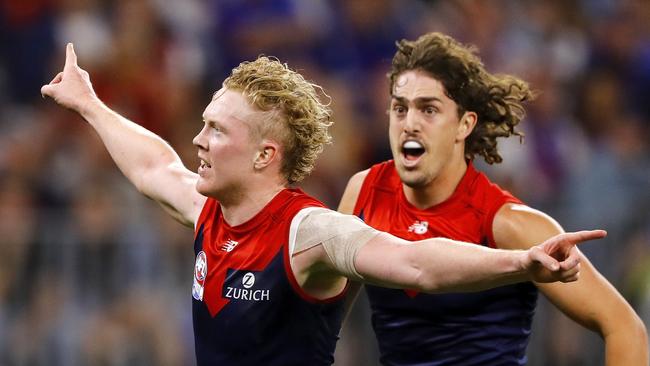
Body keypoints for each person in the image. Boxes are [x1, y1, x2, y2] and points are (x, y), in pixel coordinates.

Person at [41, 43, 605, 366]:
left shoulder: (309, 231)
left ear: (265, 154)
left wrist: (521, 262)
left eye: (216, 130)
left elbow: (414, 262)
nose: (199, 141)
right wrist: (90, 105)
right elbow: (152, 167)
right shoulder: (208, 207)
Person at [338, 32, 648, 365]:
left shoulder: (511, 224)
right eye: (400, 108)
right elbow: (320, 315)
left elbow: (624, 328)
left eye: (428, 109)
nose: (409, 123)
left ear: (464, 124)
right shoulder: (366, 192)